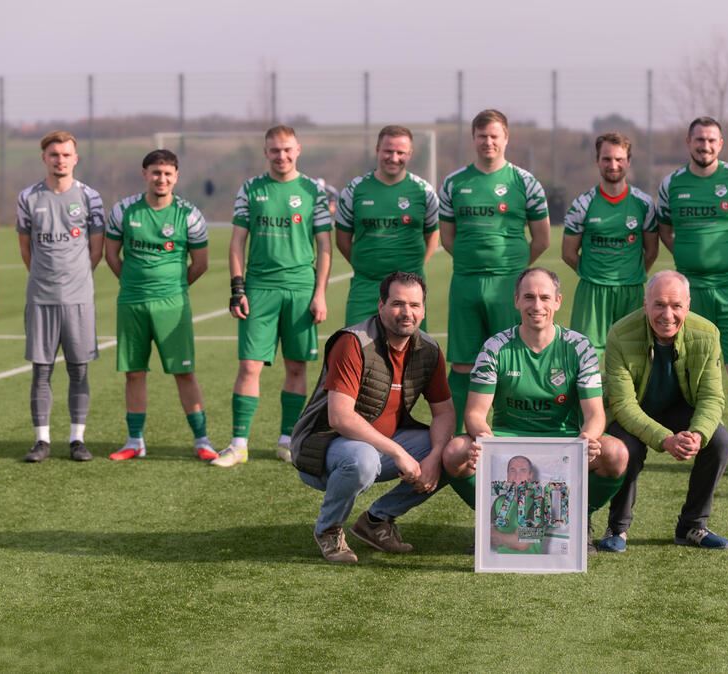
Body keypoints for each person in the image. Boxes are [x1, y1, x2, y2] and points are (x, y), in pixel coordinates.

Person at [441, 268, 628, 551]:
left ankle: (578, 518)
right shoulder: (495, 348)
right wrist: (484, 439)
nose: (536, 306)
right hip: (509, 444)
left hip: (562, 444)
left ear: (558, 302)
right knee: (455, 452)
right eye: (528, 297)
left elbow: (595, 415)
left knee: (615, 453)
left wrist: (587, 439)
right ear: (516, 300)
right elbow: (475, 414)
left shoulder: (579, 347)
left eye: (544, 297)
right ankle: (495, 520)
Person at [291, 271, 454, 563]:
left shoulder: (428, 349)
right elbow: (340, 417)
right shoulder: (354, 342)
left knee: (454, 453)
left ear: (424, 309)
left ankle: (377, 521)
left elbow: (443, 412)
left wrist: (437, 454)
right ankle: (328, 530)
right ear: (380, 305)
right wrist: (397, 451)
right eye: (398, 304)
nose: (407, 313)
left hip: (382, 443)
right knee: (362, 459)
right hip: (325, 446)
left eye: (415, 305)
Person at [656, 117, 728, 479]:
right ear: (687, 141)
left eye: (711, 140)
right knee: (691, 369)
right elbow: (665, 230)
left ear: (721, 144)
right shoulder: (672, 184)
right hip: (689, 291)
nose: (704, 146)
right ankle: (696, 442)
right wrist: (692, 261)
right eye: (698, 140)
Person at [215, 125, 333, 467]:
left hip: (300, 288)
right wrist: (238, 287)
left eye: (287, 150)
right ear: (265, 152)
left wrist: (320, 293)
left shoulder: (312, 191)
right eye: (274, 150)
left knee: (296, 367)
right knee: (249, 365)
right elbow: (237, 241)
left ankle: (287, 440)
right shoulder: (251, 189)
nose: (281, 156)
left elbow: (324, 246)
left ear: (298, 150)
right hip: (260, 288)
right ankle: (239, 444)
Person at [600, 270, 728, 551]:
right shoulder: (620, 334)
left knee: (719, 440)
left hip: (680, 409)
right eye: (659, 304)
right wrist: (665, 439)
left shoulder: (707, 333)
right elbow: (623, 405)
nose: (667, 314)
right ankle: (618, 528)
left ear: (688, 305)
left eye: (676, 306)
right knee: (626, 449)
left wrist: (697, 434)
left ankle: (692, 526)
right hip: (634, 411)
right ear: (645, 303)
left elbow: (712, 396)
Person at [439, 109, 550, 435]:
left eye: (494, 136)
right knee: (462, 364)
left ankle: (510, 432)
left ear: (506, 138)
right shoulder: (454, 182)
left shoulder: (524, 182)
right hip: (466, 283)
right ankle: (455, 439)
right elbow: (448, 237)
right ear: (473, 138)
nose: (488, 142)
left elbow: (541, 238)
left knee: (510, 361)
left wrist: (512, 269)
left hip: (508, 286)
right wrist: (472, 262)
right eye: (482, 136)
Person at [104, 149, 216, 462]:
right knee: (134, 373)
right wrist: (132, 283)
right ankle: (134, 441)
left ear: (176, 176)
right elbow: (111, 256)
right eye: (155, 173)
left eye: (167, 174)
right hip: (132, 303)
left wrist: (174, 286)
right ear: (145, 174)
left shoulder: (189, 214)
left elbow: (201, 263)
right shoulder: (124, 210)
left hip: (172, 304)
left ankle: (202, 440)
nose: (161, 179)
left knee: (185, 373)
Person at [16, 130, 105, 462]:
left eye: (66, 155)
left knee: (79, 370)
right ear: (44, 158)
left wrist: (76, 279)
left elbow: (95, 251)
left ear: (75, 158)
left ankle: (77, 439)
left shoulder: (90, 197)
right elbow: (26, 248)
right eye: (54, 154)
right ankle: (42, 440)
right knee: (41, 370)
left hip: (79, 299)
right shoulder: (28, 197)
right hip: (41, 297)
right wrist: (45, 277)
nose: (60, 160)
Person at [561, 131, 658, 362]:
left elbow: (652, 251)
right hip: (592, 292)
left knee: (634, 360)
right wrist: (594, 273)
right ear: (597, 161)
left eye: (619, 159)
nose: (613, 165)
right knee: (585, 359)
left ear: (628, 161)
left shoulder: (643, 204)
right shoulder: (583, 204)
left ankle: (627, 400)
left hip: (631, 289)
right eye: (606, 159)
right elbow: (568, 253)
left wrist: (631, 273)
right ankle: (592, 400)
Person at [336, 125, 440, 327]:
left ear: (410, 154)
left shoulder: (424, 191)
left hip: (410, 290)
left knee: (408, 356)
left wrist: (411, 272)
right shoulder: (354, 190)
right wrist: (366, 266)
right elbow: (342, 240)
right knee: (357, 350)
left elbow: (432, 237)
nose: (393, 157)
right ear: (377, 150)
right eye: (388, 151)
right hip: (366, 286)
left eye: (400, 152)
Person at [490, 455, 542, 554]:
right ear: (507, 474)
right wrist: (513, 537)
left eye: (523, 470)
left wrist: (499, 536)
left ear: (530, 475)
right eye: (512, 471)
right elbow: (487, 535)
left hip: (530, 564)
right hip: (500, 564)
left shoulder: (539, 503)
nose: (517, 476)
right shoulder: (499, 501)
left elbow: (523, 544)